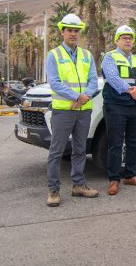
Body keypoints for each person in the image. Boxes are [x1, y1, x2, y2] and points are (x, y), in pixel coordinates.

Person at [45, 13, 99, 207]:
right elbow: (55, 83)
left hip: (84, 110)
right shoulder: (54, 55)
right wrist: (77, 96)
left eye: (76, 30)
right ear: (62, 31)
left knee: (80, 149)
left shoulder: (87, 55)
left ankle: (78, 185)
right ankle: (53, 190)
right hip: (63, 111)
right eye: (69, 30)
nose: (73, 34)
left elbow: (93, 80)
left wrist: (85, 96)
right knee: (57, 151)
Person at [101, 25, 136, 195]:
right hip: (116, 106)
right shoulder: (109, 57)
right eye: (124, 37)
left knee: (134, 142)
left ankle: (130, 175)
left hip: (134, 108)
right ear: (117, 40)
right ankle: (114, 179)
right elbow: (113, 79)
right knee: (115, 143)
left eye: (130, 38)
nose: (128, 40)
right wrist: (134, 93)